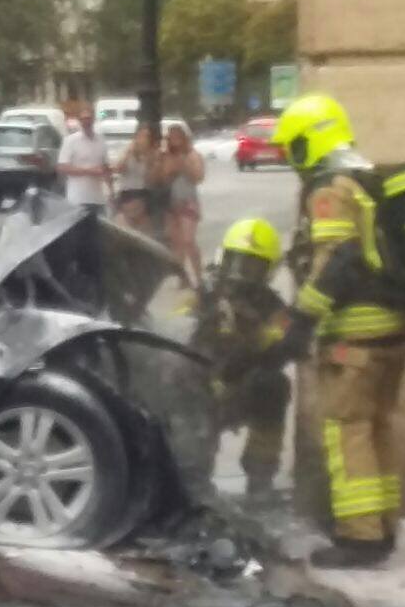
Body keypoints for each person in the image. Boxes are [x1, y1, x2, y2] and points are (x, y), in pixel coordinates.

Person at [268, 93, 405, 570]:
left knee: (346, 429)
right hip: (392, 326)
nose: (291, 159)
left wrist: (301, 320)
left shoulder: (330, 188)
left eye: (292, 147)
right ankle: (384, 524)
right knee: (377, 427)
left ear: (311, 141)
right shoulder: (366, 176)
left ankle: (360, 536)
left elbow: (336, 260)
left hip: (356, 330)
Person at [191, 218, 291, 501]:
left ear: (269, 270)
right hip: (200, 386)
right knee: (187, 391)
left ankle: (260, 479)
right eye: (235, 261)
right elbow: (174, 332)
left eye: (252, 266)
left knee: (274, 385)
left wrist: (258, 337)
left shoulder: (272, 307)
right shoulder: (202, 294)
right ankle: (194, 478)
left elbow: (281, 345)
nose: (240, 273)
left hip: (240, 387)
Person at [157, 124, 206, 288]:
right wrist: (170, 168)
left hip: (188, 202)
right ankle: (182, 278)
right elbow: (161, 178)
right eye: (171, 138)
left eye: (178, 137)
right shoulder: (165, 156)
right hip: (171, 203)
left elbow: (199, 176)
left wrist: (184, 164)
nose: (174, 141)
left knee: (188, 241)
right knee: (177, 244)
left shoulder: (192, 154)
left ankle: (199, 277)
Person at [56, 107, 111, 217]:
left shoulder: (101, 140)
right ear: (79, 121)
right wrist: (89, 171)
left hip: (98, 199)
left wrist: (111, 192)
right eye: (83, 119)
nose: (86, 122)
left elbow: (106, 168)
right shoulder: (70, 141)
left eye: (89, 118)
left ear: (93, 119)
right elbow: (62, 167)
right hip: (78, 198)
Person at [113, 127, 158, 241]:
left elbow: (151, 179)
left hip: (142, 193)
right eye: (142, 136)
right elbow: (118, 168)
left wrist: (150, 162)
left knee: (145, 234)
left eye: (147, 137)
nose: (144, 139)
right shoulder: (128, 153)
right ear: (136, 138)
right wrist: (129, 151)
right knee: (123, 232)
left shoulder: (149, 156)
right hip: (127, 193)